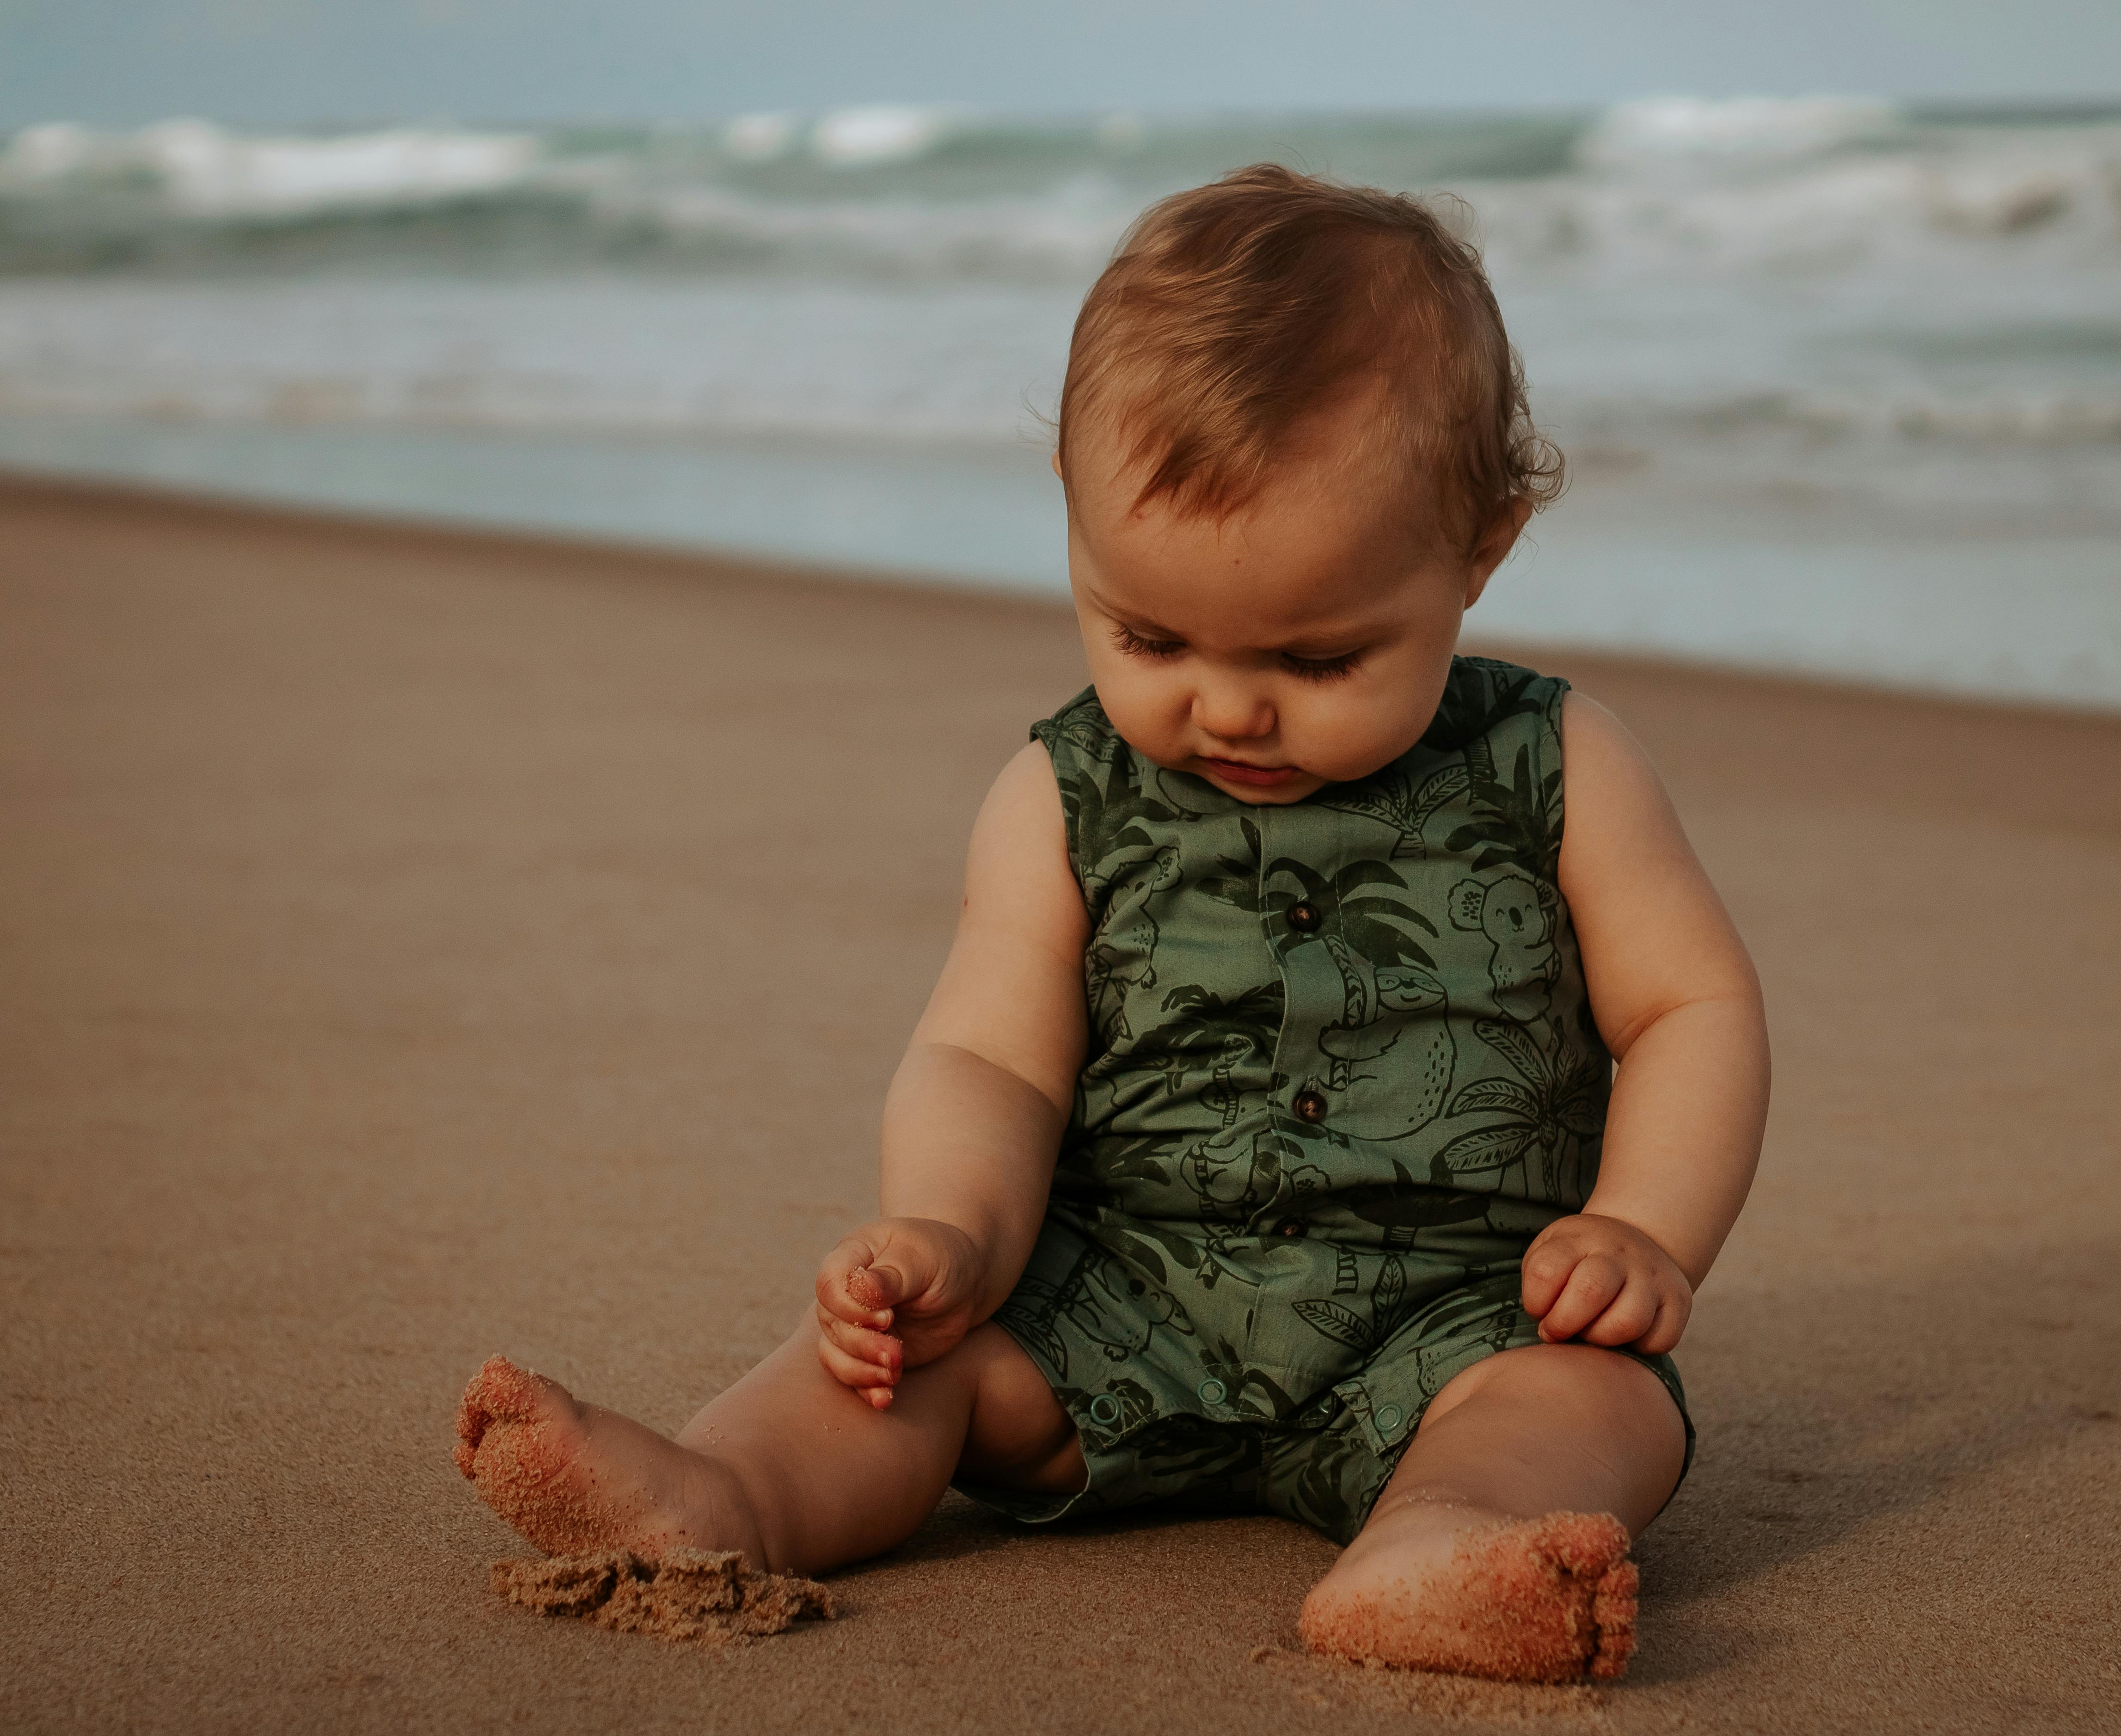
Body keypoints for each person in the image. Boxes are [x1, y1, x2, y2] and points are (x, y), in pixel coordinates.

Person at [453, 164, 1769, 1683]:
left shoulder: (1557, 765)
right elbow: (989, 1055)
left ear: (1478, 552)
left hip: (1463, 1314)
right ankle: (719, 1491)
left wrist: (1643, 1231)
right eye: (1147, 634)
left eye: (1319, 655)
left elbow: (1688, 1009)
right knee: (907, 1368)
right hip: (1117, 1304)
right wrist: (952, 1227)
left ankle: (1433, 1544)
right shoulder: (1059, 794)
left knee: (1593, 1404)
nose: (1221, 702)